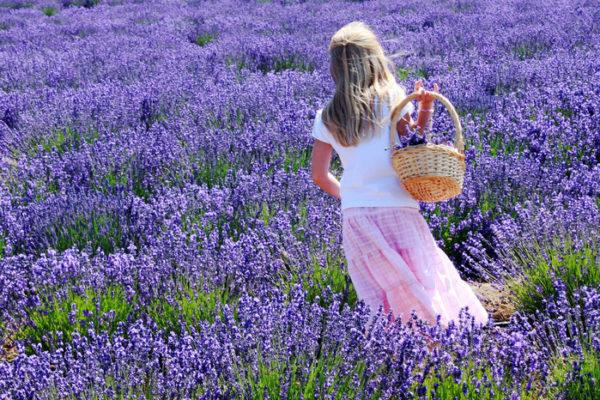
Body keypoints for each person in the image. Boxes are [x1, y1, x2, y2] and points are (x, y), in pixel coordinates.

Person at [309, 21, 489, 329]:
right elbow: (414, 143)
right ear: (374, 59)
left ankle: (398, 349)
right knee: (422, 274)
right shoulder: (392, 97)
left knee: (380, 289)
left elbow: (319, 175)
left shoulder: (327, 116)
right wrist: (426, 107)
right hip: (398, 207)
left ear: (336, 67)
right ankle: (442, 335)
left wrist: (352, 195)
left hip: (356, 216)